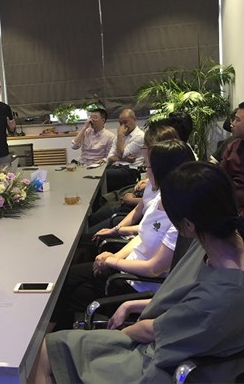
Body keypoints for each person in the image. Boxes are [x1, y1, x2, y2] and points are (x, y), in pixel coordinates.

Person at [34, 162, 244, 383]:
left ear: (188, 225)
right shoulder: (238, 247)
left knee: (46, 350)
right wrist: (133, 305)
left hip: (162, 366)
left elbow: (151, 330)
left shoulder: (219, 294)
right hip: (182, 349)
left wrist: (118, 336)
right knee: (58, 351)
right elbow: (185, 304)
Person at [53, 139, 195, 330]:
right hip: (126, 268)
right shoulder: (161, 198)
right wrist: (113, 257)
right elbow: (141, 236)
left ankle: (61, 337)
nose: (146, 172)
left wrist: (112, 262)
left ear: (163, 171)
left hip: (139, 284)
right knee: (66, 279)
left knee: (70, 294)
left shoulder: (179, 217)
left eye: (148, 167)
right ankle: (57, 334)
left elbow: (154, 269)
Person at [87, 124, 180, 234]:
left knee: (88, 235)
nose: (142, 149)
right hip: (137, 218)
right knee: (93, 219)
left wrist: (117, 230)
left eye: (144, 146)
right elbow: (140, 207)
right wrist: (116, 229)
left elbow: (150, 229)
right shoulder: (155, 174)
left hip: (140, 226)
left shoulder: (169, 185)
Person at [104, 108, 145, 192]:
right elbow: (109, 158)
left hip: (131, 170)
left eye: (125, 122)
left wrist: (120, 136)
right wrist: (124, 159)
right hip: (116, 167)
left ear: (134, 119)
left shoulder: (140, 136)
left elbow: (121, 154)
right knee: (97, 175)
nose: (123, 126)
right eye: (120, 123)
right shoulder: (119, 136)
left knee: (103, 176)